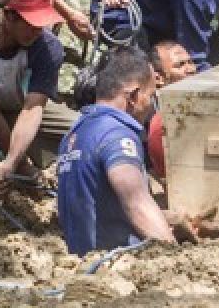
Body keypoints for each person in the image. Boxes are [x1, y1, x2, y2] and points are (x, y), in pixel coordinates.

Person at [57, 48, 183, 255]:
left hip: (83, 259)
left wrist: (171, 218)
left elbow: (102, 206)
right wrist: (174, 256)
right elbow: (136, 204)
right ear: (134, 96)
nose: (152, 106)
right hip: (118, 264)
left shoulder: (76, 132)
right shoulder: (118, 135)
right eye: (151, 96)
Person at [0, 0, 77, 188]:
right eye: (31, 24)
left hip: (23, 107)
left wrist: (12, 161)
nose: (37, 31)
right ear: (9, 15)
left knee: (82, 128)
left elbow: (33, 108)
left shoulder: (48, 48)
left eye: (41, 24)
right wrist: (19, 165)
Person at [144, 40, 196, 178]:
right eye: (180, 65)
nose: (191, 69)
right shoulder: (146, 116)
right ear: (158, 78)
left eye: (190, 62)